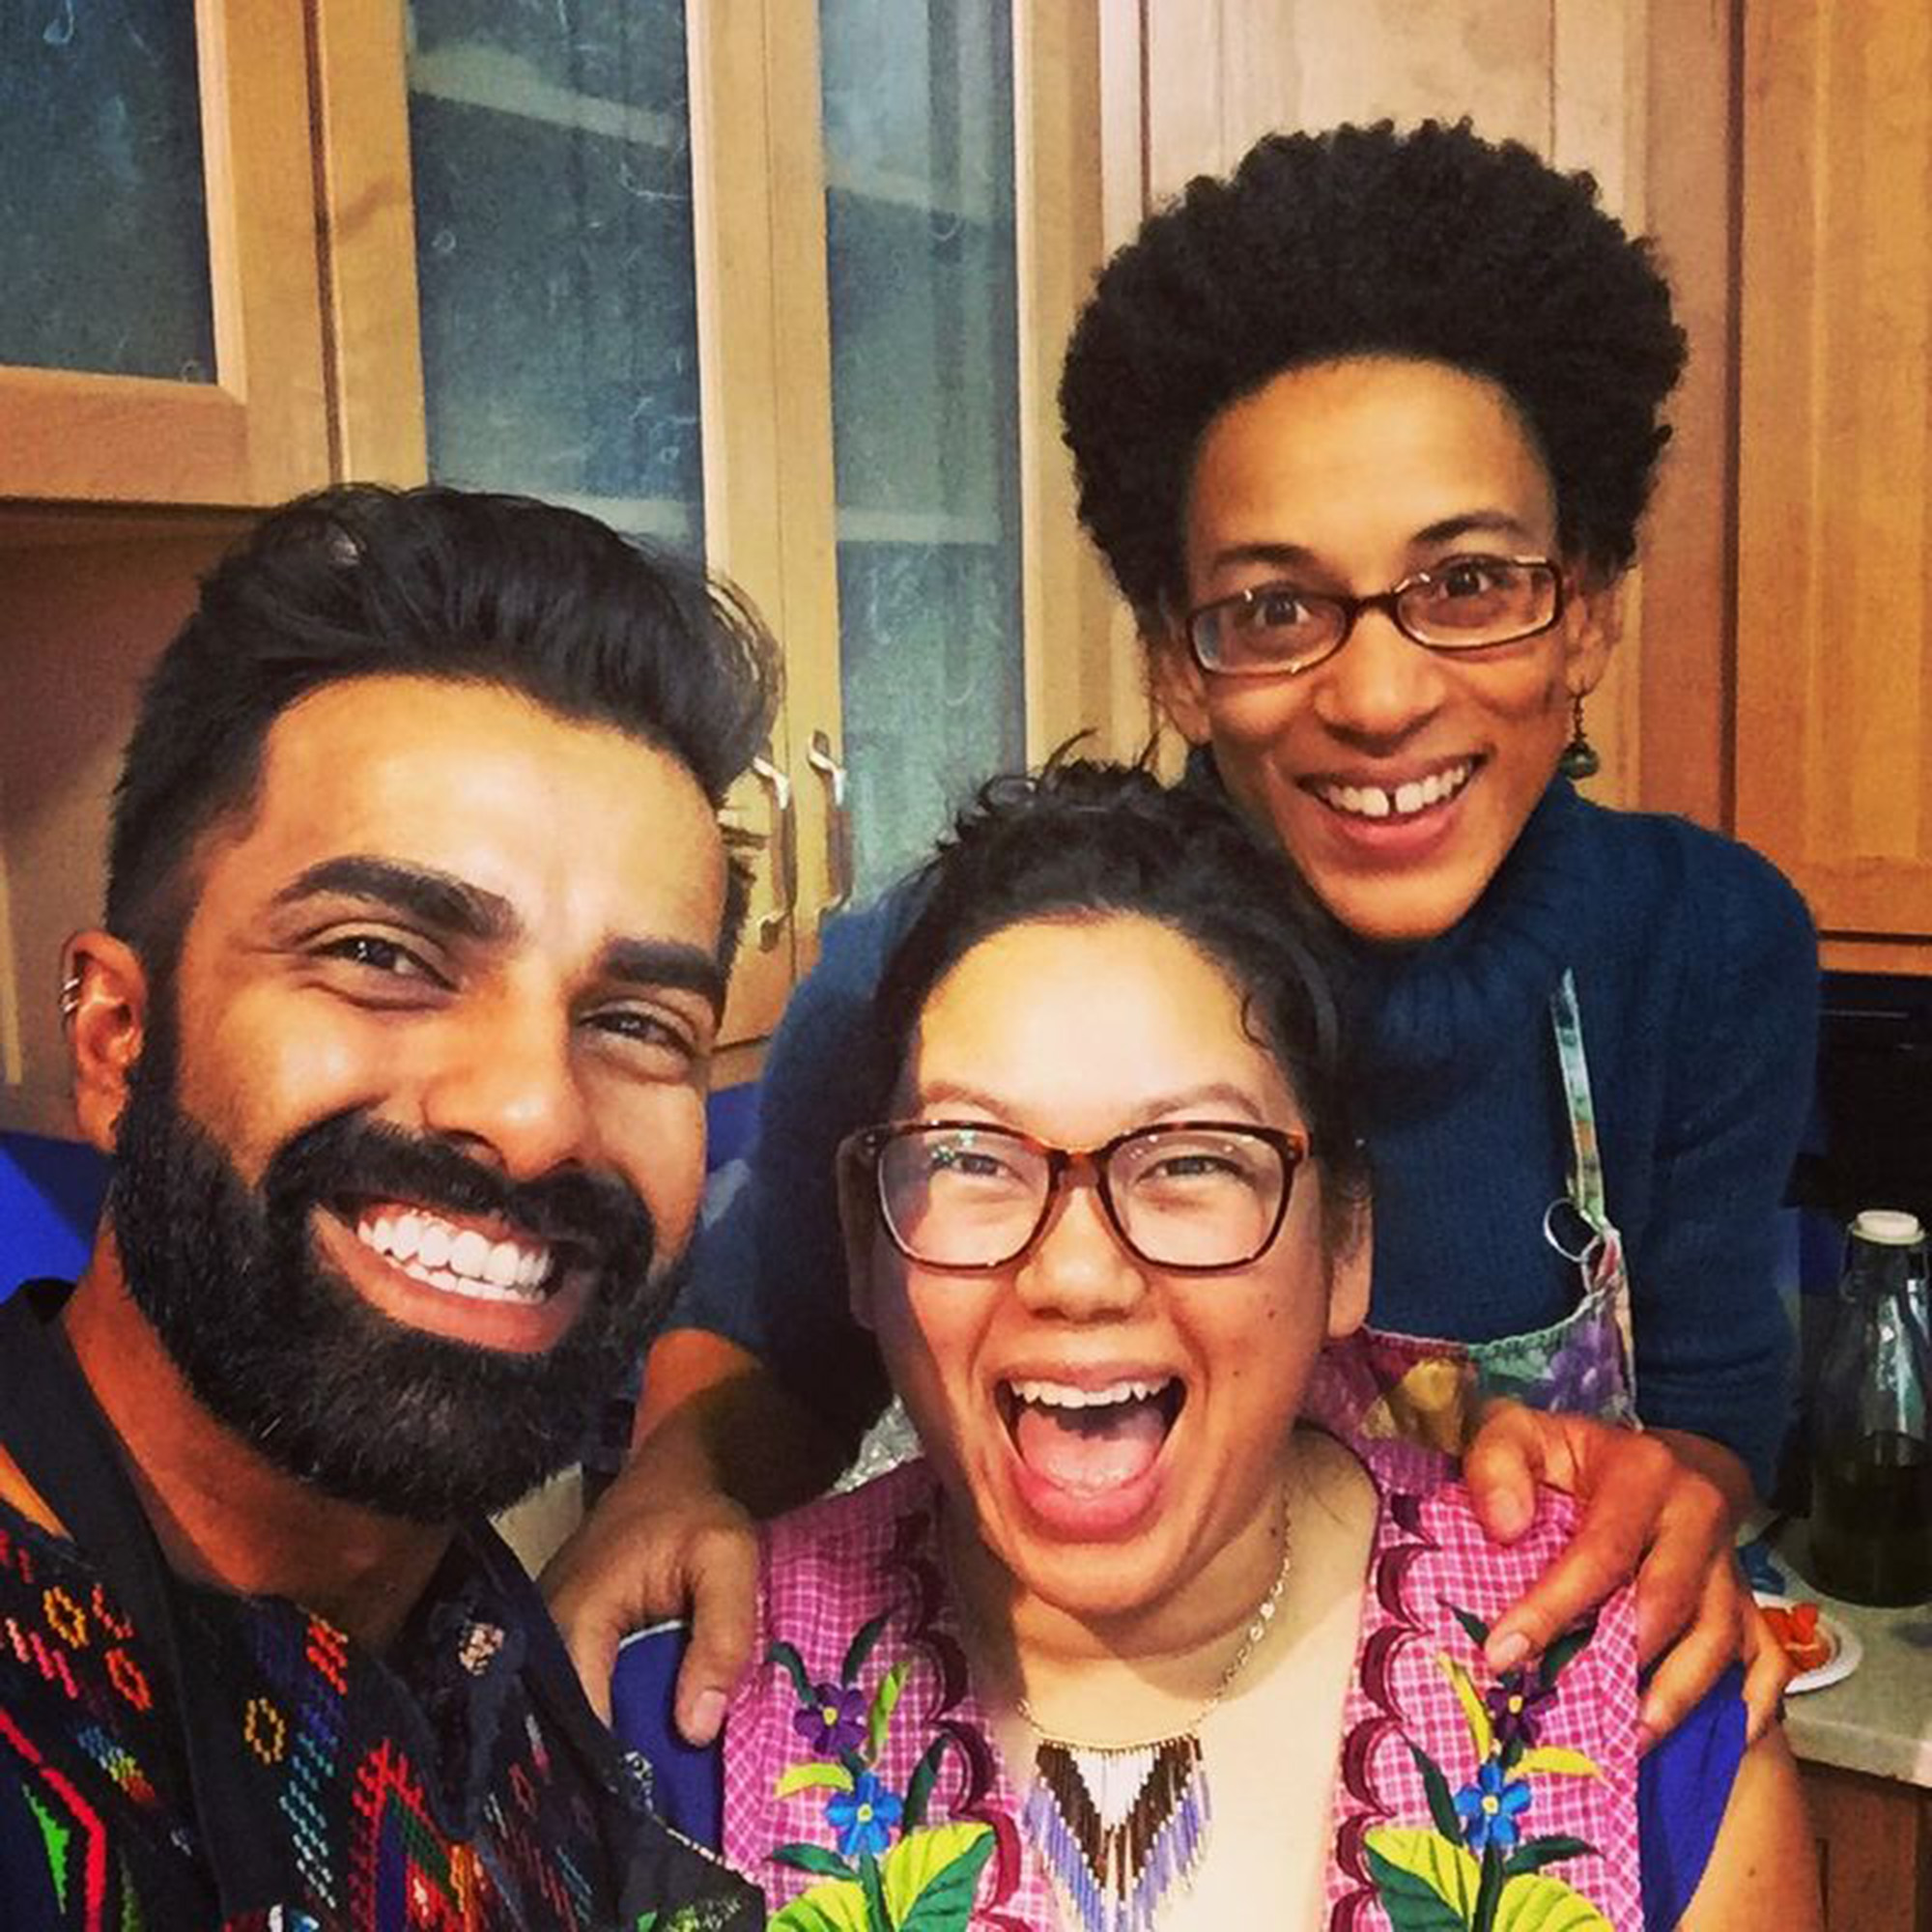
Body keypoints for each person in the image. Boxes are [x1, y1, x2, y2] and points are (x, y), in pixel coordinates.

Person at [547, 120, 1820, 1759]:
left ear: (1585, 609)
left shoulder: (1706, 952)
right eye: (1277, 608)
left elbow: (1714, 1415)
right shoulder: (931, 979)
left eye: (1474, 582)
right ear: (1174, 658)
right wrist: (676, 1485)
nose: (1376, 695)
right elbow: (764, 1367)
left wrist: (1673, 1498)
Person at [615, 760, 1819, 1931]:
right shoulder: (684, 1720)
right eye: (970, 1158)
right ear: (863, 1241)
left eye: (1193, 1159)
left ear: (1345, 1242)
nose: (1076, 1273)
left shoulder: (1628, 1694)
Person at [0, 485, 775, 1928]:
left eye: (636, 1021)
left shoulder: (480, 1650)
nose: (537, 1115)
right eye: (384, 954)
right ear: (115, 1036)